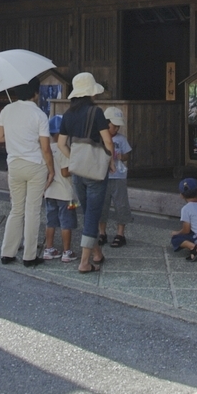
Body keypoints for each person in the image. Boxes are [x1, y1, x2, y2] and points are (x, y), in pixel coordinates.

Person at [57, 72, 114, 274]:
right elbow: (108, 141)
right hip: (95, 172)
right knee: (92, 215)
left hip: (77, 172)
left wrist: (74, 158)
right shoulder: (96, 112)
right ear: (90, 92)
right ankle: (84, 262)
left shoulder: (67, 114)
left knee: (88, 211)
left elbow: (61, 143)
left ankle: (97, 253)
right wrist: (111, 160)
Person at [0, 77, 54, 267]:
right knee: (32, 211)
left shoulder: (6, 110)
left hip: (14, 164)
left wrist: (15, 136)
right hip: (35, 165)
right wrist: (51, 170)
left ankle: (7, 252)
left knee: (16, 209)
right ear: (35, 93)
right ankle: (29, 256)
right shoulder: (39, 115)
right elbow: (46, 148)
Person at [42, 114, 78, 262]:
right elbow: (65, 172)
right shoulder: (64, 149)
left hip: (50, 192)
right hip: (66, 194)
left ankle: (49, 249)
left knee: (50, 221)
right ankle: (67, 251)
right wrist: (77, 168)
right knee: (66, 223)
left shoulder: (47, 149)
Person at [97, 106, 133, 248]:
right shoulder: (99, 138)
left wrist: (120, 156)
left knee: (121, 205)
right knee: (102, 205)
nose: (116, 129)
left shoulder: (121, 139)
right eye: (114, 126)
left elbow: (127, 155)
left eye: (118, 126)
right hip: (102, 176)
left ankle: (120, 234)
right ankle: (102, 232)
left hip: (118, 176)